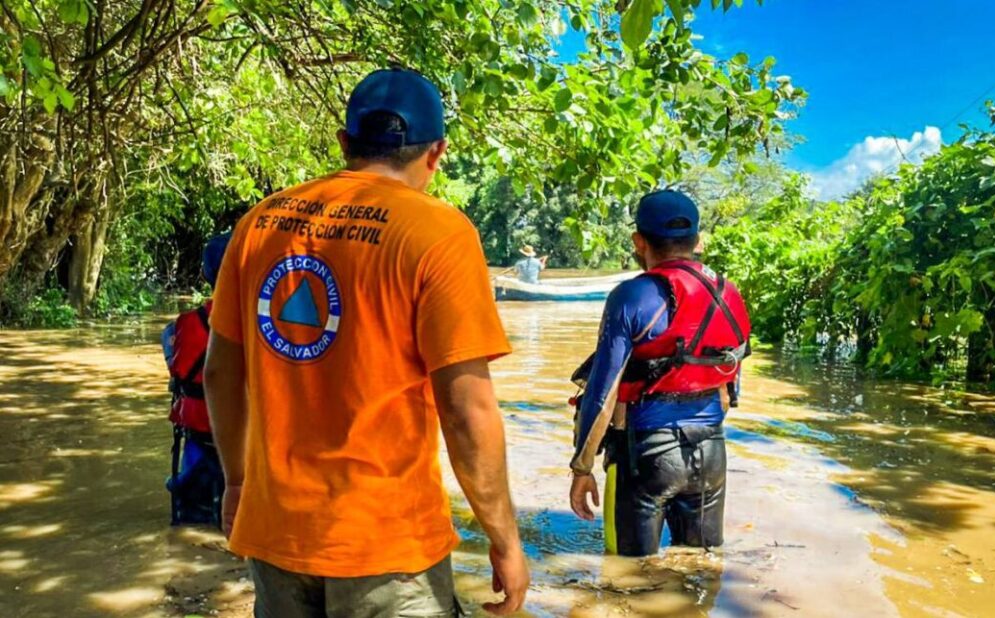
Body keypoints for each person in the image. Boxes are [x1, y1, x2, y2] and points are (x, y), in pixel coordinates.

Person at [203, 68, 529, 617]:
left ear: (345, 143)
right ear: (437, 153)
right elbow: (466, 410)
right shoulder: (439, 233)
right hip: (387, 544)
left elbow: (219, 374)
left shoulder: (260, 223)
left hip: (277, 530)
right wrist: (505, 540)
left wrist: (237, 483)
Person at [567, 189, 751, 557]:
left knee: (627, 574)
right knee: (700, 568)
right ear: (698, 241)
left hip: (645, 458)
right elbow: (729, 387)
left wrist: (582, 468)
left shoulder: (631, 296)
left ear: (639, 241)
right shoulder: (727, 294)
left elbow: (603, 393)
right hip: (711, 454)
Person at [163, 232, 231, 526]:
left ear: (204, 275)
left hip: (196, 430)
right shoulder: (261, 325)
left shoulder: (179, 326)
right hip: (244, 434)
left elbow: (176, 372)